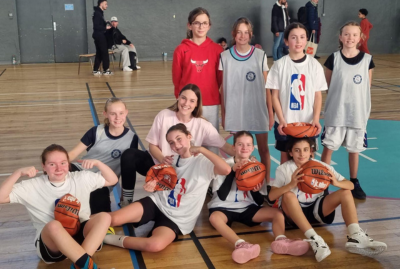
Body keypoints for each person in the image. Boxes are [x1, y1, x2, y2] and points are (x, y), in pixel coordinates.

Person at [103, 123, 231, 252]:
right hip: (157, 203)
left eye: (179, 138)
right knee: (112, 219)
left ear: (189, 136)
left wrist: (202, 149)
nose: (176, 145)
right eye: (171, 142)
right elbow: (165, 186)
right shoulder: (172, 160)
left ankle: (107, 239)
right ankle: (84, 221)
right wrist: (153, 186)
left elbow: (226, 169)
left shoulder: (203, 161)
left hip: (178, 219)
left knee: (154, 245)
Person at [268, 137, 387, 262]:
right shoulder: (284, 169)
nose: (302, 154)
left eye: (305, 149)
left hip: (316, 209)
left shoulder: (322, 167)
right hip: (293, 215)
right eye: (297, 150)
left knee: (345, 192)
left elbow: (350, 185)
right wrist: (290, 185)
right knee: (288, 195)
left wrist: (336, 182)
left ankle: (355, 236)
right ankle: (315, 239)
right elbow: (271, 196)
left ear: (311, 151)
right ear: (290, 153)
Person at [0, 144, 118, 269]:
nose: (58, 168)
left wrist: (99, 164)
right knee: (54, 225)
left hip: (79, 238)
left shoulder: (80, 177)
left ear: (68, 163)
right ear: (43, 166)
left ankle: (81, 264)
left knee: (104, 217)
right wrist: (17, 173)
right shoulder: (33, 186)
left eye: (63, 163)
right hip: (52, 245)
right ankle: (88, 266)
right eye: (52, 164)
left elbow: (112, 180)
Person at [119, 84, 235, 206]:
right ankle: (126, 200)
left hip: (183, 172)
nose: (186, 103)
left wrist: (247, 157)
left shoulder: (203, 125)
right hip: (158, 165)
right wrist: (162, 160)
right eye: (183, 98)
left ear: (197, 104)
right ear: (178, 98)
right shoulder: (164, 115)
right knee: (129, 155)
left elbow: (226, 147)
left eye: (192, 101)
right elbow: (152, 146)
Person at [208, 131, 309, 264]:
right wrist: (233, 172)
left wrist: (255, 191)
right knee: (214, 218)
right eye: (240, 144)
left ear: (252, 148)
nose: (244, 148)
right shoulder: (223, 164)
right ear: (234, 147)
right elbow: (221, 196)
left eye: (248, 144)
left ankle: (281, 240)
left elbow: (259, 201)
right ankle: (241, 244)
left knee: (277, 214)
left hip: (247, 208)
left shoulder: (257, 168)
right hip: (222, 207)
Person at [321, 21, 375, 200]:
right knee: (329, 148)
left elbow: (367, 87)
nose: (350, 38)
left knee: (354, 150)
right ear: (340, 37)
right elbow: (328, 84)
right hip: (337, 112)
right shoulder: (333, 58)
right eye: (346, 34)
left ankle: (354, 182)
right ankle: (323, 182)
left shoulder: (367, 60)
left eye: (354, 34)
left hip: (357, 114)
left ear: (360, 38)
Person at [220, 17, 274, 188]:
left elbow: (268, 87)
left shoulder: (260, 55)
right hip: (236, 110)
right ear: (233, 34)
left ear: (250, 34)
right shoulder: (224, 56)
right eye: (239, 32)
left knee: (264, 149)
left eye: (246, 32)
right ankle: (240, 183)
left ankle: (264, 185)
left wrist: (270, 113)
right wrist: (224, 113)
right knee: (240, 152)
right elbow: (222, 89)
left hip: (257, 110)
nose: (242, 36)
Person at [266, 22, 327, 164]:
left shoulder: (314, 65)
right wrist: (281, 120)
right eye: (293, 37)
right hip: (286, 122)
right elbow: (275, 96)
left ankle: (307, 187)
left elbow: (318, 96)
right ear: (286, 41)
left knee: (308, 159)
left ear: (307, 40)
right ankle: (286, 186)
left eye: (302, 37)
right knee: (285, 159)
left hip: (308, 122)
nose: (298, 41)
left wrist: (316, 119)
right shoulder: (279, 65)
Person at [68, 97, 138, 213]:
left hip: (103, 181)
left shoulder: (131, 138)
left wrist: (126, 199)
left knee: (100, 211)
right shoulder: (96, 131)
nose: (117, 117)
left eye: (121, 113)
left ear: (126, 112)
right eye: (112, 114)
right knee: (58, 175)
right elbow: (74, 153)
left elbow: (129, 170)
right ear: (105, 114)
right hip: (82, 171)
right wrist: (58, 164)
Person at [172, 7, 223, 141]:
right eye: (197, 23)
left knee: (212, 142)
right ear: (189, 25)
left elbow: (220, 78)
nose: (201, 26)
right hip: (188, 104)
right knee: (189, 142)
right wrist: (182, 101)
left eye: (204, 23)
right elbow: (177, 79)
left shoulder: (217, 50)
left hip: (210, 102)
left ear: (209, 26)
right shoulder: (181, 50)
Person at [92, 0, 113, 76]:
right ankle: (106, 70)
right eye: (105, 4)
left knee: (99, 53)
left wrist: (105, 22)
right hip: (99, 35)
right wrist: (105, 27)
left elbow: (98, 24)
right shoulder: (97, 13)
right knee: (104, 52)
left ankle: (95, 70)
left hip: (98, 35)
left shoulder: (99, 13)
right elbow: (96, 26)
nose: (107, 5)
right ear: (101, 4)